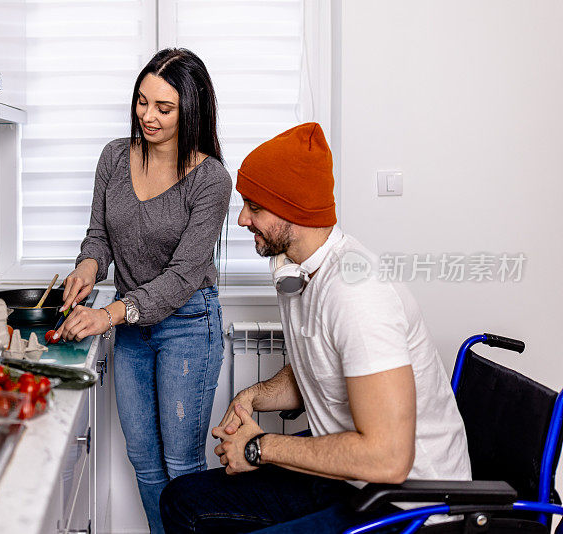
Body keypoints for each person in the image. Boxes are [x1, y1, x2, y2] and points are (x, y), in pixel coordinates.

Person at [159, 122, 471, 533]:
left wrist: (258, 448)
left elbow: (388, 459)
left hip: (406, 506)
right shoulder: (294, 270)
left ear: (293, 209)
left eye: (254, 207)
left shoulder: (358, 295)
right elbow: (319, 367)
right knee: (182, 501)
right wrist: (253, 396)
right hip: (347, 480)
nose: (241, 219)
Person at [54, 48, 232, 533]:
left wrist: (109, 314)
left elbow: (182, 276)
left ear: (191, 111)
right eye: (141, 102)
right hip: (132, 327)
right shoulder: (114, 157)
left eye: (164, 108)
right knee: (144, 461)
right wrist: (89, 266)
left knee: (181, 465)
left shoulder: (211, 180)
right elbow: (100, 235)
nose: (148, 116)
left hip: (188, 326)